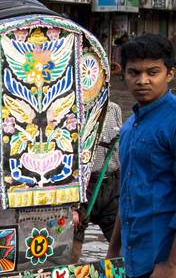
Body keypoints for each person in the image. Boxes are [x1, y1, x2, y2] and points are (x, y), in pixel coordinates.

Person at [108, 34, 176, 278]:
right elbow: (128, 193)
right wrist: (113, 249)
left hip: (163, 260)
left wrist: (170, 265)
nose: (142, 80)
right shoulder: (130, 125)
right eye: (134, 72)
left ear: (169, 74)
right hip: (133, 256)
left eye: (152, 72)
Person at [72, 102, 123, 263]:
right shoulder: (70, 109)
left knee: (124, 245)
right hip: (81, 186)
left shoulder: (114, 108)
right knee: (70, 250)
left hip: (110, 183)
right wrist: (72, 206)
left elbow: (119, 150)